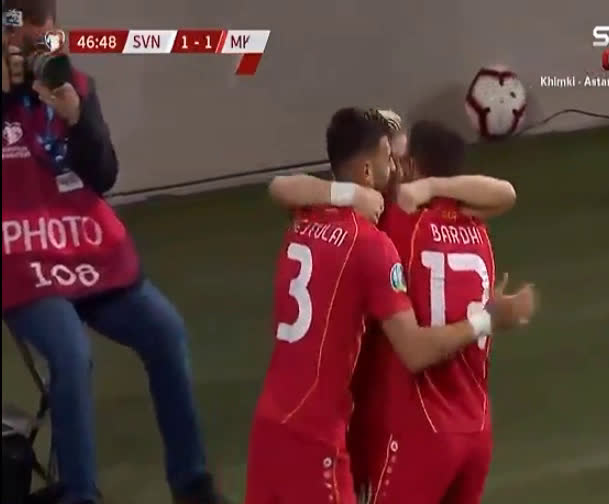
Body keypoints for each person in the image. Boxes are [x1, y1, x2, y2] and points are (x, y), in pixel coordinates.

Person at [244, 107, 535, 504]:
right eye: (388, 156)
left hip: (275, 422)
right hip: (337, 434)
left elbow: (280, 187)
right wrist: (490, 317)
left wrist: (354, 192)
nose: (395, 166)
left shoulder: (310, 217)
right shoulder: (443, 231)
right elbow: (506, 194)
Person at [1, 2, 228, 503]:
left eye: (44, 29)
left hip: (86, 250)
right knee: (71, 355)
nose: (35, 43)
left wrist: (78, 119)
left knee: (167, 333)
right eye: (21, 29)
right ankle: (80, 493)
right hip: (21, 261)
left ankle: (191, 481)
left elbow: (102, 176)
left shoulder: (74, 85)